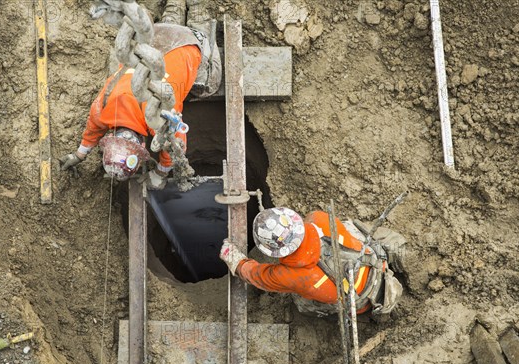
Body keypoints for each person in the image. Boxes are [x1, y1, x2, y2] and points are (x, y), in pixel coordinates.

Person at [59, 0, 221, 188]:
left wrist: (160, 173)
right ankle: (175, 6)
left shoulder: (157, 116)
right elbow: (93, 128)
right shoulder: (103, 108)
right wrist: (79, 154)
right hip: (159, 36)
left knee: (209, 85)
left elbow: (177, 145)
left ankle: (199, 17)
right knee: (170, 25)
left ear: (143, 147)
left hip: (188, 44)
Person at [219, 207, 405, 316]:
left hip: (361, 304)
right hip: (372, 265)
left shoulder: (289, 276)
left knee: (301, 302)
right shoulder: (319, 219)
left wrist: (236, 260)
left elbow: (256, 275)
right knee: (349, 229)